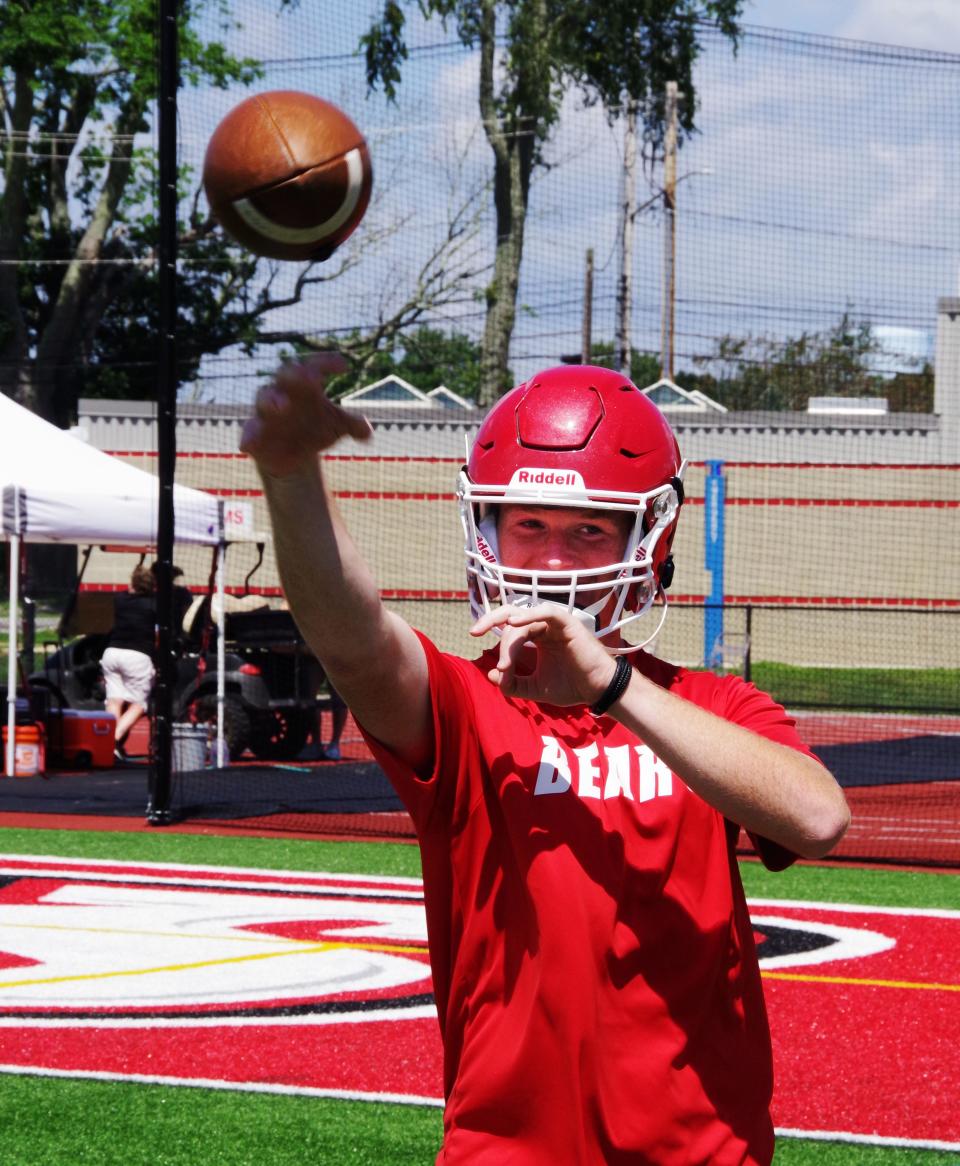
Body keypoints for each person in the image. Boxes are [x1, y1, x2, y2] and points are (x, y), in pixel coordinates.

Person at [241, 355, 851, 1166]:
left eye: (588, 530)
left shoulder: (713, 708)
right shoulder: (464, 707)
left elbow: (819, 819)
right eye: (528, 526)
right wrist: (291, 477)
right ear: (486, 532)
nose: (554, 563)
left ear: (647, 541)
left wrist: (611, 683)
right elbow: (353, 639)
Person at [101, 564, 157, 760]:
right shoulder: (153, 604)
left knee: (115, 700)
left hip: (112, 653)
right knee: (139, 704)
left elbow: (128, 593)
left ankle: (108, 739)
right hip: (138, 656)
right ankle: (112, 740)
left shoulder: (120, 600)